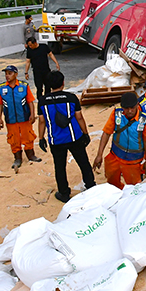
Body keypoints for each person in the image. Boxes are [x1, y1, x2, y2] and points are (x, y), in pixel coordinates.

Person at [37, 71, 95, 202]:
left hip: (56, 140)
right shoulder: (71, 97)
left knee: (60, 167)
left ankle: (64, 193)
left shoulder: (42, 101)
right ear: (63, 83)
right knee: (83, 162)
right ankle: (91, 186)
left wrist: (41, 138)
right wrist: (85, 133)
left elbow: (42, 121)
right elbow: (79, 117)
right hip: (74, 137)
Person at [93, 92, 146, 189]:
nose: (129, 111)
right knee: (111, 182)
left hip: (133, 161)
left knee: (134, 187)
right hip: (115, 157)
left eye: (132, 108)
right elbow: (106, 133)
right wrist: (99, 154)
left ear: (137, 105)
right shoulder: (116, 114)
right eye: (126, 108)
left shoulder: (145, 120)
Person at [0, 65, 41, 171]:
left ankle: (31, 155)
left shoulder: (24, 86)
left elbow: (30, 101)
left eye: (10, 73)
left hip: (24, 118)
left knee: (28, 136)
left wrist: (32, 115)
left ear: (16, 74)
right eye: (6, 73)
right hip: (10, 119)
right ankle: (17, 158)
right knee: (13, 139)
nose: (7, 76)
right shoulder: (1, 88)